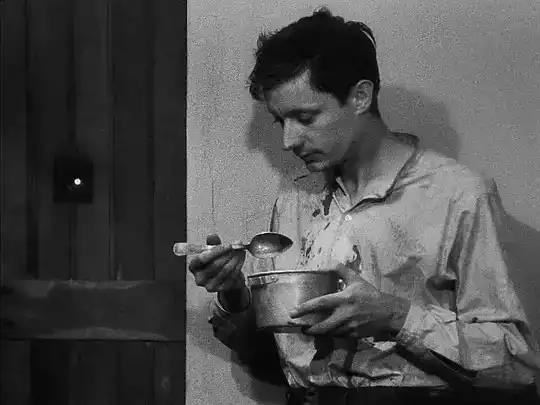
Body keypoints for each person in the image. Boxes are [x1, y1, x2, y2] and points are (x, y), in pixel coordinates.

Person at [188, 8, 540, 405]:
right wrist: (234, 293)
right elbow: (273, 353)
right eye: (280, 122)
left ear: (360, 96)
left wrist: (396, 317)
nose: (288, 141)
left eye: (305, 117)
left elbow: (518, 367)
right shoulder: (295, 204)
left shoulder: (460, 196)